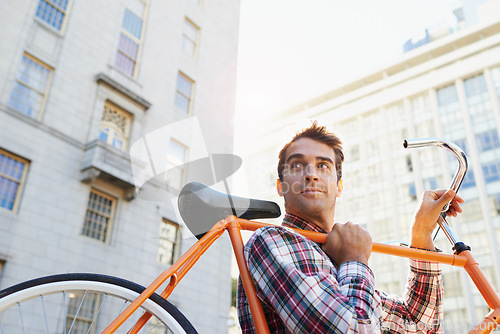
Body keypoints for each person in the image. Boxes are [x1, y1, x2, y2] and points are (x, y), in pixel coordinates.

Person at [237, 121, 464, 333]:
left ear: (339, 186)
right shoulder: (270, 240)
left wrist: (422, 233)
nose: (311, 175)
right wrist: (355, 259)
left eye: (323, 165)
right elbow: (354, 329)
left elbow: (419, 326)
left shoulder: (339, 258)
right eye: (297, 165)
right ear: (280, 186)